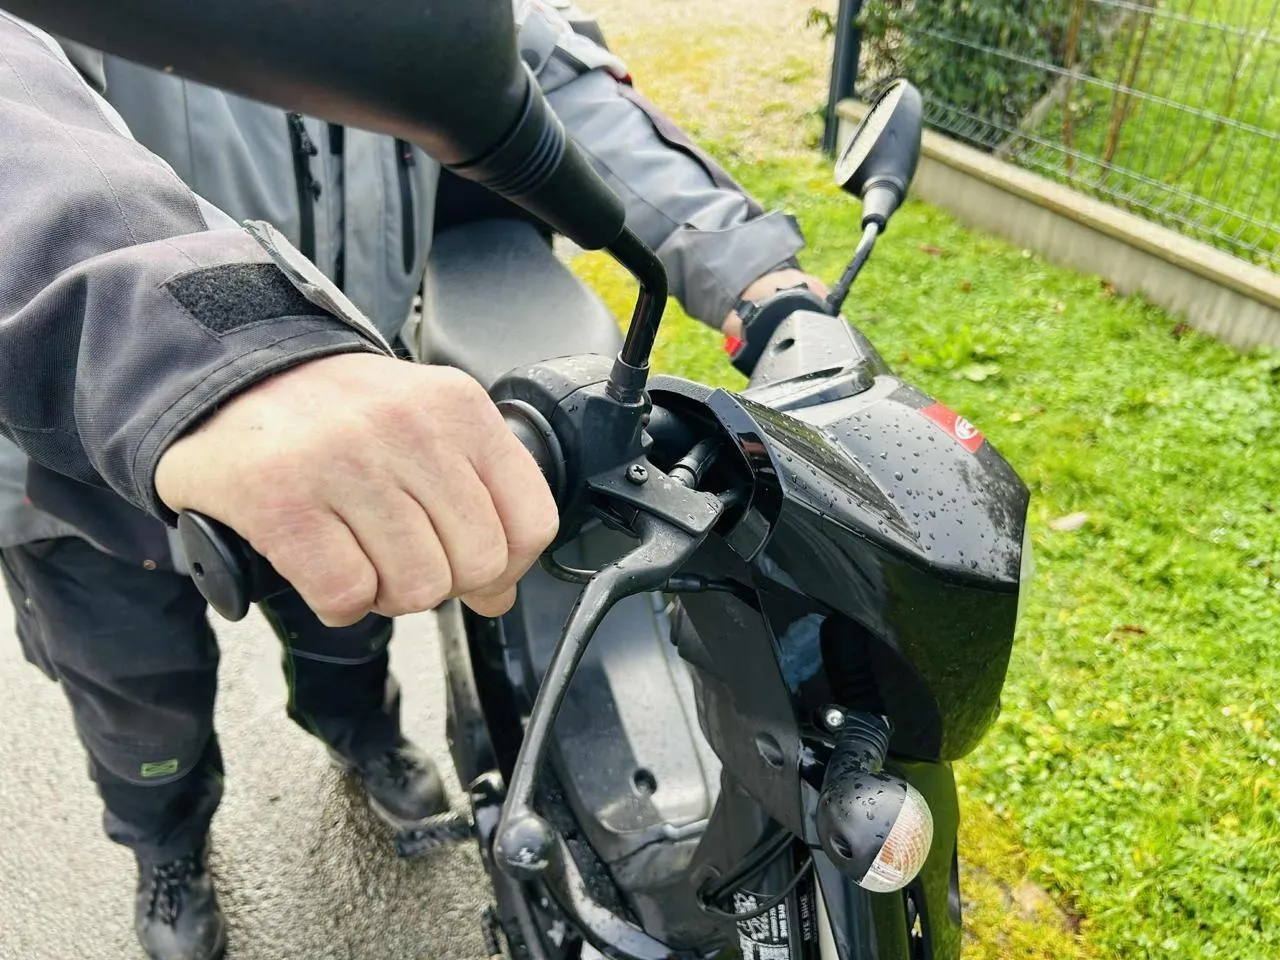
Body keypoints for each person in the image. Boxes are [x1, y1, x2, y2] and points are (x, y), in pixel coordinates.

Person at [0, 5, 824, 958]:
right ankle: (167, 843)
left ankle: (361, 734)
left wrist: (758, 275)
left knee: (349, 625)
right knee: (142, 700)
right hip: (73, 452)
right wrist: (201, 345)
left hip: (346, 421)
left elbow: (534, 74)